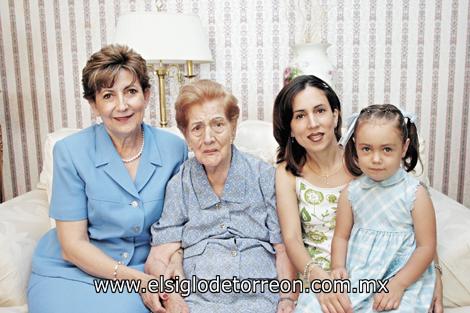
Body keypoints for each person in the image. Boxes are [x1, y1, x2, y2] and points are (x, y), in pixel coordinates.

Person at [27, 44, 187, 313]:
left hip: (145, 265)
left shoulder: (174, 149)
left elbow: (181, 222)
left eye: (131, 92)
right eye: (108, 95)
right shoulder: (70, 152)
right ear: (93, 104)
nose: (122, 106)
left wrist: (174, 262)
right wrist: (142, 282)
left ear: (147, 95)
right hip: (73, 270)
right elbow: (73, 245)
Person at [273, 75, 444, 313]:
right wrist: (321, 280)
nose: (312, 123)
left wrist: (435, 275)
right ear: (289, 126)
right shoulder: (287, 171)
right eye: (300, 116)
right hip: (324, 273)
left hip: (382, 268)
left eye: (320, 110)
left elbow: (415, 225)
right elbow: (291, 237)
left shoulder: (368, 160)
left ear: (335, 115)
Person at [146, 79, 297, 313]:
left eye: (218, 124)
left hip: (260, 297)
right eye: (197, 128)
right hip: (197, 300)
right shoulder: (180, 183)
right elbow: (158, 255)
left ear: (233, 127)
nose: (208, 138)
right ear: (186, 135)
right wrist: (173, 298)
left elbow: (284, 248)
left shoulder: (264, 177)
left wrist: (287, 299)